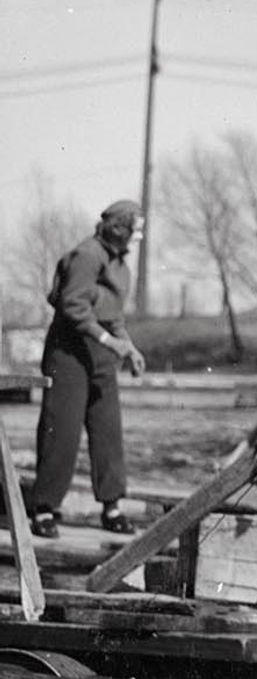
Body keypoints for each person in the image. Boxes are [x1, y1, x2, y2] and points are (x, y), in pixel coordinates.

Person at [32, 200, 147, 538]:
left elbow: (113, 317)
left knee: (108, 430)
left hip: (101, 356)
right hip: (68, 353)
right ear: (120, 229)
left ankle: (111, 507)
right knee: (62, 432)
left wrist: (129, 347)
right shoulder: (88, 255)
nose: (139, 237)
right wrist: (112, 343)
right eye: (136, 230)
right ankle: (44, 509)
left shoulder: (120, 267)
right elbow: (73, 305)